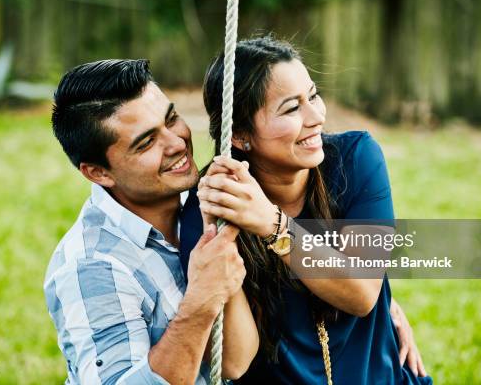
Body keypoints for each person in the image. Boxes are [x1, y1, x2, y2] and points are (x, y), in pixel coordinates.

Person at [180, 36, 432, 384]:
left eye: (312, 96)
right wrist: (222, 239)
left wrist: (272, 224)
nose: (316, 117)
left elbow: (361, 293)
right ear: (239, 135)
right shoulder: (210, 204)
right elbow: (234, 363)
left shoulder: (355, 159)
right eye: (291, 108)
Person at [43, 59, 259, 384]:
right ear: (98, 172)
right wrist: (201, 300)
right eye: (146, 142)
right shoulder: (91, 268)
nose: (177, 143)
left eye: (171, 119)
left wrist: (274, 225)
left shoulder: (214, 198)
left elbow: (361, 276)